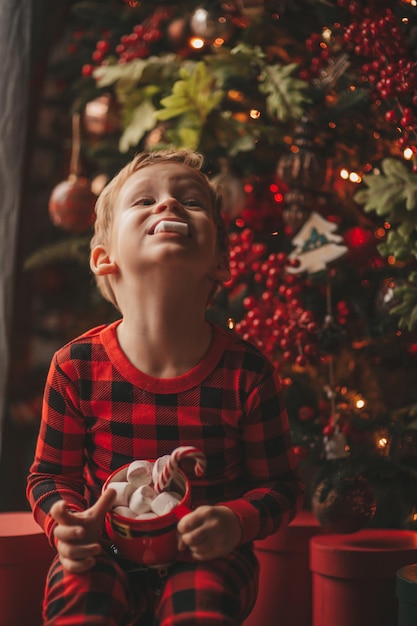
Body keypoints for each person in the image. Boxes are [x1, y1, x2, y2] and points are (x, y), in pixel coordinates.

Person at [27, 149, 304, 626]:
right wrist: (67, 524)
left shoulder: (247, 373)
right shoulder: (76, 367)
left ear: (221, 261)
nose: (169, 206)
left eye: (190, 201)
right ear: (104, 257)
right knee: (79, 599)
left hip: (208, 556)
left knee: (200, 606)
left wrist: (234, 522)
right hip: (106, 547)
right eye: (145, 201)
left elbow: (280, 487)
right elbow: (49, 477)